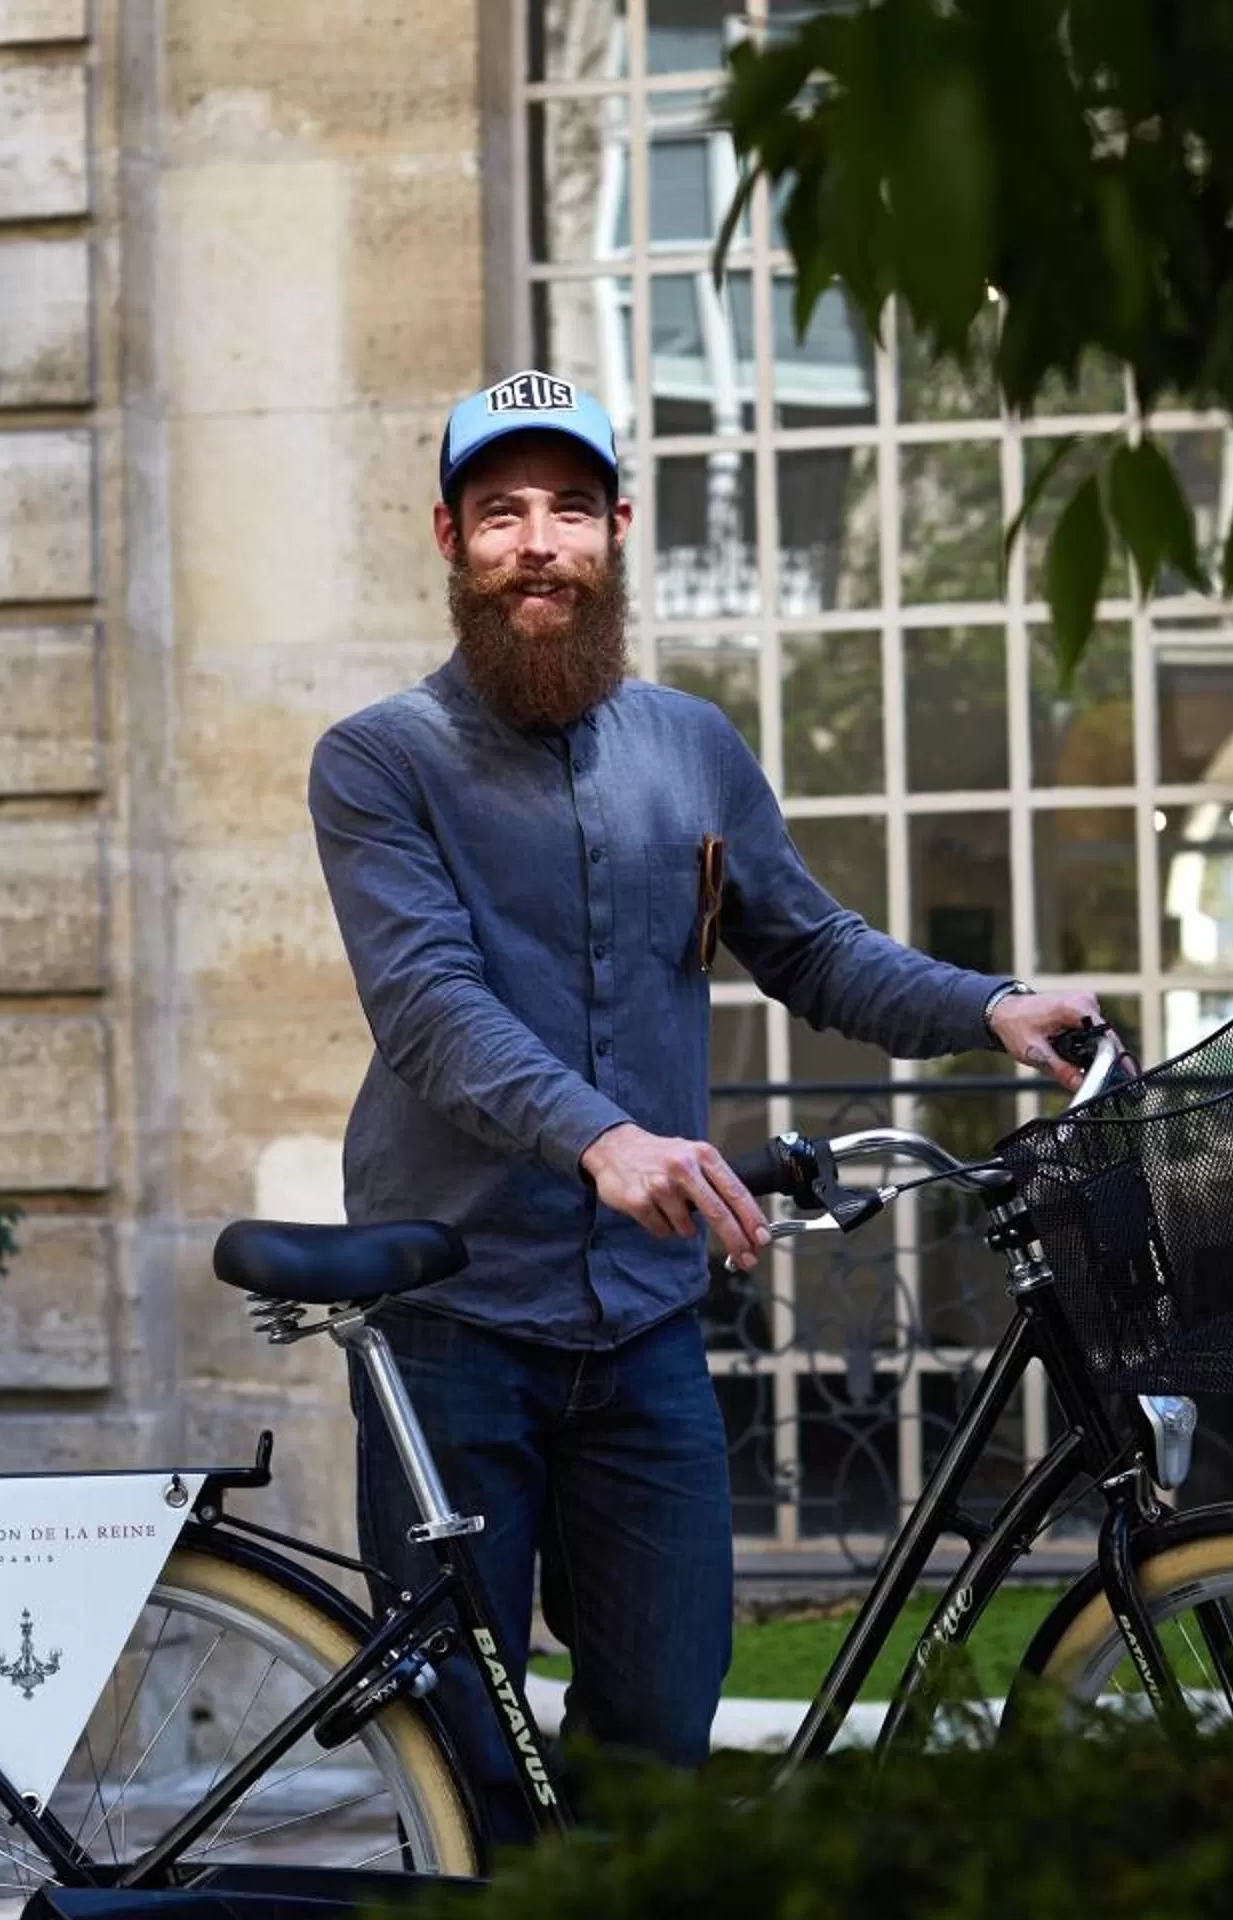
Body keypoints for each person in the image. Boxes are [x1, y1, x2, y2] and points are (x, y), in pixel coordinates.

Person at [307, 369, 1099, 1838]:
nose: (537, 544)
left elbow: (814, 949)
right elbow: (426, 1006)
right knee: (461, 1751)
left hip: (649, 1322)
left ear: (618, 530)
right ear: (451, 539)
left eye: (568, 510)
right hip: (455, 1317)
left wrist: (990, 1005)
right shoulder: (379, 760)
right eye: (501, 513)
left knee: (661, 1733)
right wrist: (600, 1138)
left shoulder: (694, 747)